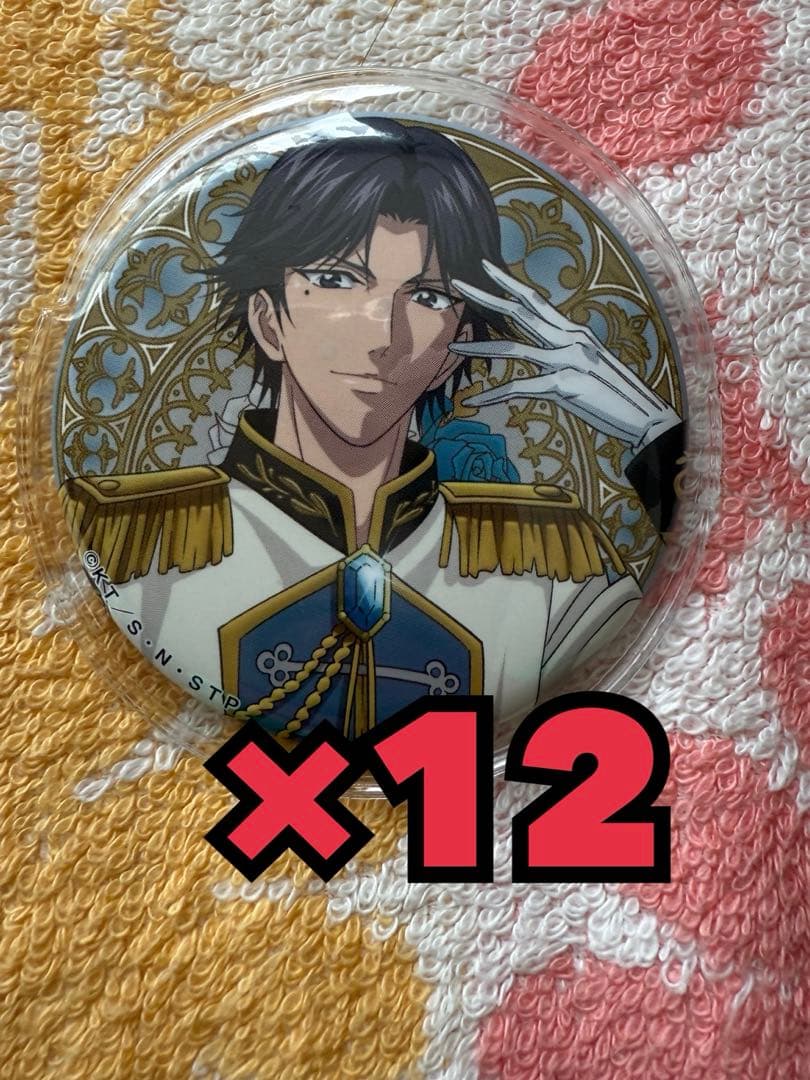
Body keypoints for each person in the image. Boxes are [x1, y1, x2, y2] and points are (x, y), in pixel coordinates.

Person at [60, 117, 683, 740]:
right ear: (268, 319)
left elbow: (661, 651)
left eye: (428, 296)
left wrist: (656, 436)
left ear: (457, 345)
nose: (384, 337)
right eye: (337, 280)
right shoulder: (130, 546)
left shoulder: (550, 565)